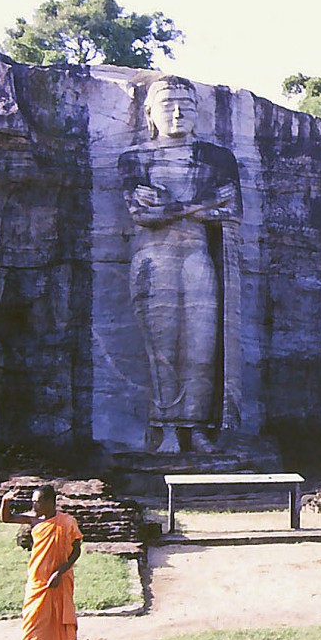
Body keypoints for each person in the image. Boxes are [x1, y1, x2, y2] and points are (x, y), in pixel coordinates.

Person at [119, 75, 241, 454]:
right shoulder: (135, 158)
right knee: (163, 347)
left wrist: (170, 207)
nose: (177, 112)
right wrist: (201, 205)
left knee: (202, 346)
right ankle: (166, 428)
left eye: (186, 105)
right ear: (150, 113)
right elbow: (143, 214)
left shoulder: (217, 158)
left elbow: (233, 210)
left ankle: (197, 427)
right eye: (168, 104)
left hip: (197, 254)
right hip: (154, 259)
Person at [0, 485, 82, 640]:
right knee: (32, 622)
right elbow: (7, 518)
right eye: (33, 501)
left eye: (37, 502)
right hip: (38, 582)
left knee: (58, 618)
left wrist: (59, 573)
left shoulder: (67, 522)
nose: (33, 505)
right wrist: (5, 502)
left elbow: (76, 551)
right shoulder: (34, 520)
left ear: (49, 502)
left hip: (59, 580)